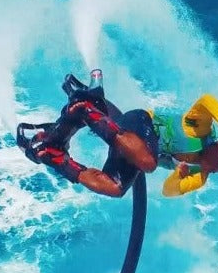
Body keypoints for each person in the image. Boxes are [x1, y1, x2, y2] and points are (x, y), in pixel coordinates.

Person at [17, 70, 158, 198]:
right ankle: (86, 110)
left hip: (133, 149)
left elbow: (171, 189)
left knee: (115, 188)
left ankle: (55, 156)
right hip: (139, 123)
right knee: (147, 163)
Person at [156, 94, 218, 197]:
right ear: (211, 148)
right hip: (142, 124)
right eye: (213, 163)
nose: (211, 170)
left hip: (145, 152)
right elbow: (206, 100)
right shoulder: (198, 130)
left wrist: (177, 176)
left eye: (216, 170)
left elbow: (167, 191)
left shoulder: (199, 177)